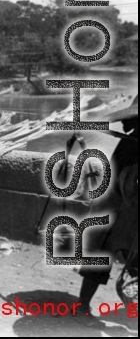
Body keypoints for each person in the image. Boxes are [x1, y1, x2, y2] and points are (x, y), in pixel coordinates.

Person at [74, 101, 138, 327]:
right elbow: (128, 184)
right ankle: (82, 306)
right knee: (101, 255)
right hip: (116, 206)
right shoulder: (131, 146)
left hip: (130, 211)